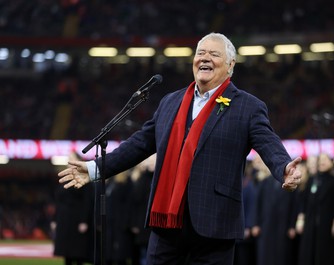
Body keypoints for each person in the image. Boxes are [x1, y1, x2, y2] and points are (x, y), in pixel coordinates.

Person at [58, 32, 302, 265]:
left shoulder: (248, 106)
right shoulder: (170, 102)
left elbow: (267, 142)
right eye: (200, 53)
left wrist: (283, 168)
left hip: (214, 224)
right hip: (166, 223)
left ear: (230, 65)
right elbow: (140, 143)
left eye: (214, 54)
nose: (205, 58)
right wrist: (94, 169)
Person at [297, 153, 334, 265]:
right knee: (309, 251)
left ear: (331, 162)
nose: (322, 162)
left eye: (325, 159)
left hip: (327, 221)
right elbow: (305, 201)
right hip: (310, 222)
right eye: (320, 160)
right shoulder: (312, 179)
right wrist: (301, 219)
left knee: (324, 252)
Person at [251, 153, 296, 265]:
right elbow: (257, 204)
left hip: (282, 225)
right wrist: (255, 224)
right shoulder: (264, 182)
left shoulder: (290, 184)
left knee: (281, 254)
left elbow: (293, 206)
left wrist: (292, 225)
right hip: (266, 225)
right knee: (265, 254)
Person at [52, 152, 95, 265]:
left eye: (72, 159)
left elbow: (87, 201)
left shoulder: (84, 178)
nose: (69, 161)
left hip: (76, 219)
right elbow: (58, 201)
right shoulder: (65, 177)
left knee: (77, 250)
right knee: (66, 251)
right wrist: (54, 219)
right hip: (64, 219)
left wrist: (84, 221)